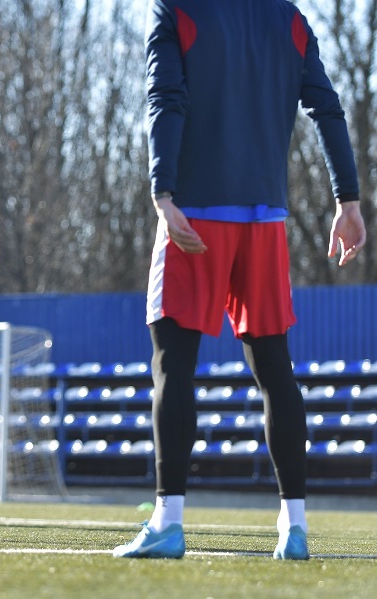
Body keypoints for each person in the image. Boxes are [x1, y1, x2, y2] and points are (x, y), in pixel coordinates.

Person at [114, 0, 367, 561]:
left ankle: (168, 521)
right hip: (265, 220)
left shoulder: (175, 8)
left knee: (172, 363)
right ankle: (293, 528)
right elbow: (327, 107)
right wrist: (347, 200)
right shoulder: (290, 18)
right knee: (276, 368)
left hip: (198, 212)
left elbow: (166, 98)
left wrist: (162, 191)